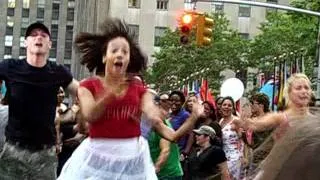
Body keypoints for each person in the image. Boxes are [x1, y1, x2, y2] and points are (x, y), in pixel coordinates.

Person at [58, 17, 203, 180]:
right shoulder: (88, 85)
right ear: (105, 57)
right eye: (114, 51)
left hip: (132, 159)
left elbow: (172, 135)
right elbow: (91, 114)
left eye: (124, 52)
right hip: (97, 156)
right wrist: (110, 92)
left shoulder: (138, 89)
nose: (120, 54)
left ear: (129, 59)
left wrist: (193, 116)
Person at [0, 22, 78, 179]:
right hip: (13, 151)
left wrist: (84, 122)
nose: (38, 38)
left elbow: (82, 92)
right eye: (34, 35)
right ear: (26, 42)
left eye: (43, 35)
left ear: (49, 44)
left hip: (44, 154)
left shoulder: (57, 72)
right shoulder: (10, 67)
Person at [233, 73, 313, 179]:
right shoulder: (281, 117)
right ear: (289, 93)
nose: (304, 91)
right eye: (298, 88)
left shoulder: (315, 119)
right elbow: (257, 124)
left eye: (306, 88)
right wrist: (244, 122)